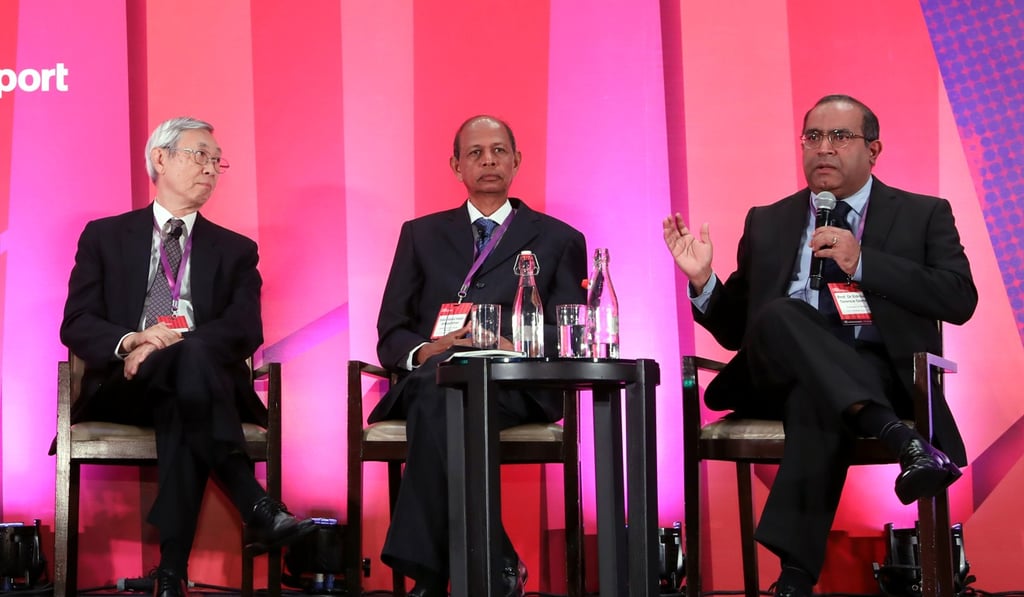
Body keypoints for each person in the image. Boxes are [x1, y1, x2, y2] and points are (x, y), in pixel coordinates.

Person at [663, 95, 977, 597]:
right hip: (772, 374)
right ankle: (902, 440)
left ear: (873, 150)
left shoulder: (923, 214)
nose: (823, 149)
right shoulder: (768, 220)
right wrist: (704, 284)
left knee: (816, 397)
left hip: (874, 373)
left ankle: (794, 580)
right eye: (813, 137)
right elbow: (741, 330)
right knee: (787, 313)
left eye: (839, 137)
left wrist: (864, 263)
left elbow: (960, 299)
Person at [60, 117, 316, 597]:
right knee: (191, 377)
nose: (211, 167)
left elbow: (245, 330)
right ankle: (252, 502)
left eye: (217, 160)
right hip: (125, 383)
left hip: (195, 383)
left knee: (189, 375)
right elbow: (76, 322)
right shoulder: (104, 236)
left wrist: (173, 343)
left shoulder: (237, 250)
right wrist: (136, 341)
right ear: (161, 158)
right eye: (200, 155)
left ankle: (171, 573)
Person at [372, 115, 587, 597]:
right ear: (455, 166)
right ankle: (496, 557)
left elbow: (569, 330)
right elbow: (391, 332)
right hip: (438, 375)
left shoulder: (559, 238)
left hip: (514, 385)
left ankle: (429, 575)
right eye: (475, 153)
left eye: (498, 151)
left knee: (440, 398)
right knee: (440, 388)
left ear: (516, 161)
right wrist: (431, 348)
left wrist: (517, 339)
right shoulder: (420, 235)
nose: (488, 160)